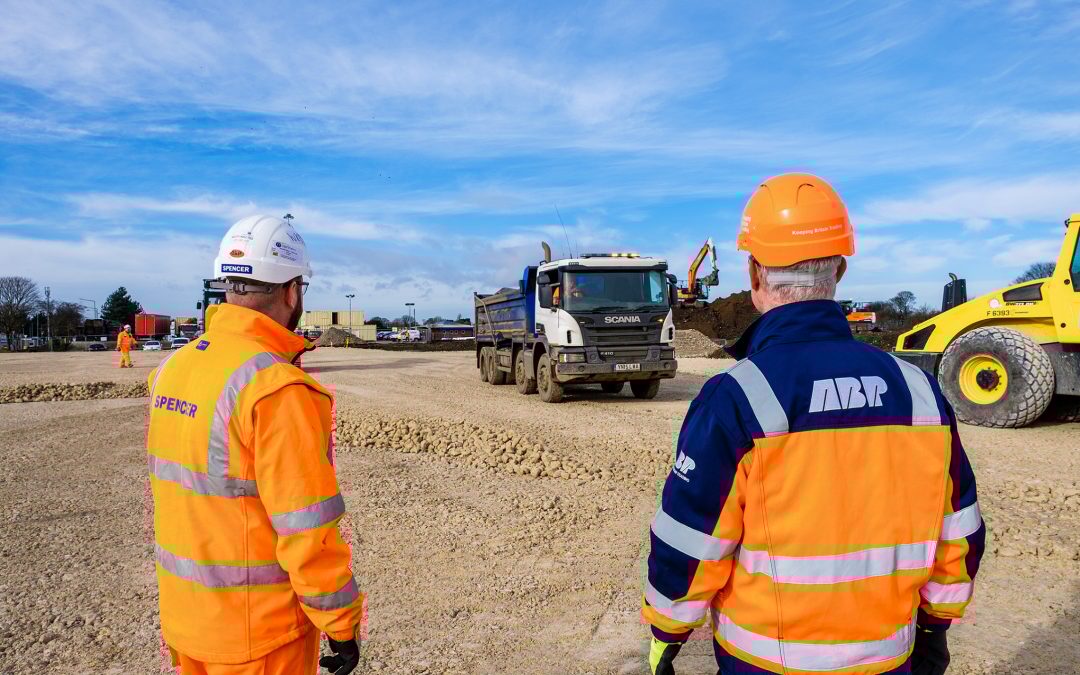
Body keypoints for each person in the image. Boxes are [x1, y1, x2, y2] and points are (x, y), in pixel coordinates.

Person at [642, 174, 984, 675]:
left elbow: (692, 537)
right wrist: (935, 626)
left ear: (755, 273)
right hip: (889, 658)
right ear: (840, 269)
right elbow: (959, 527)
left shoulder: (737, 397)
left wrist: (666, 633)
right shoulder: (919, 392)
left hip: (763, 663)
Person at [147, 215, 364, 675]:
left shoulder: (173, 369)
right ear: (292, 292)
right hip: (259, 636)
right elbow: (307, 531)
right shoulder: (277, 390)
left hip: (188, 622)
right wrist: (341, 624)